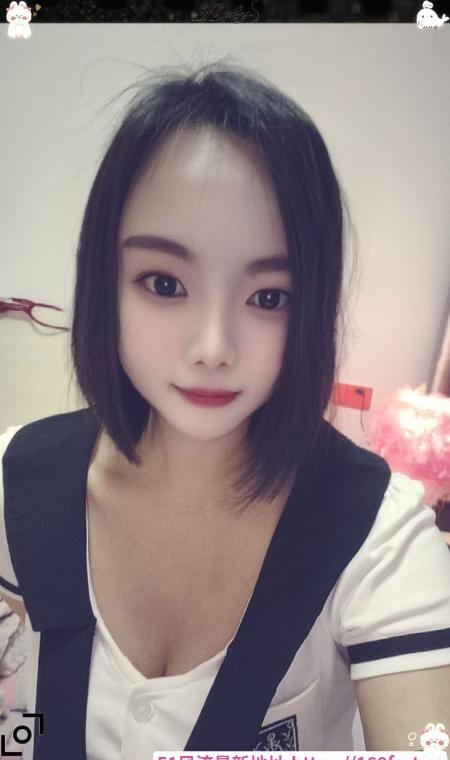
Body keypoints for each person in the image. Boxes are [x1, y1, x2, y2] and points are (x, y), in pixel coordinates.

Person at [0, 61, 449, 759]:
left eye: (268, 297)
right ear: (104, 281)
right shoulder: (18, 481)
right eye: (164, 283)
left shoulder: (378, 537)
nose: (213, 348)